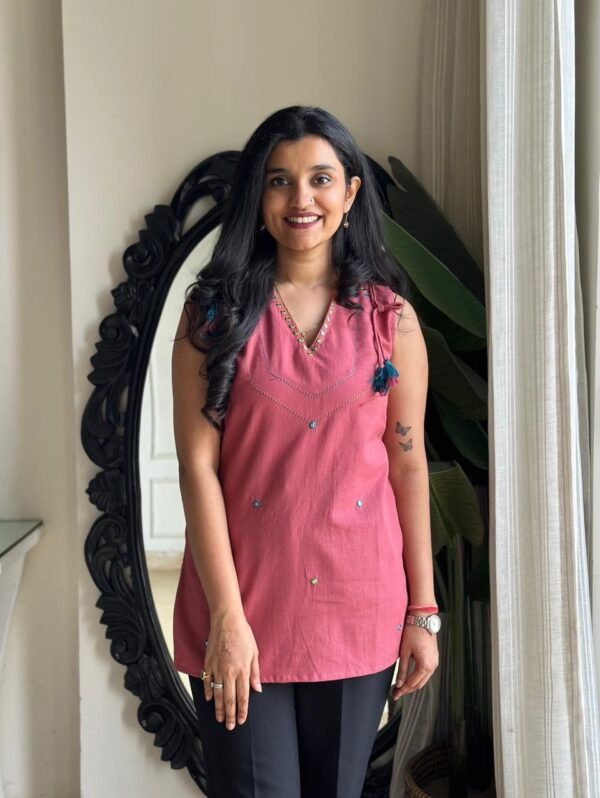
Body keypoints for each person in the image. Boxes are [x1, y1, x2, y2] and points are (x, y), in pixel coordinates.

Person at [171, 105, 439, 798]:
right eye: (280, 180)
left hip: (359, 606)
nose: (301, 198)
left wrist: (423, 611)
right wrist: (227, 618)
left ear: (350, 194)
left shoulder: (390, 321)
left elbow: (408, 465)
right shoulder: (213, 317)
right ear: (258, 197)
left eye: (320, 178)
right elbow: (198, 468)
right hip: (244, 610)